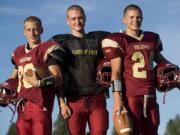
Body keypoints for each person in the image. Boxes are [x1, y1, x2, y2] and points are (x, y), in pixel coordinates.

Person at [102, 4, 175, 135]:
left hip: (150, 94)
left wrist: (176, 72)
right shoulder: (119, 40)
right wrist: (117, 100)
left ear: (142, 18)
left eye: (138, 17)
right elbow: (116, 73)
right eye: (131, 17)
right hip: (131, 96)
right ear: (124, 19)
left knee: (152, 132)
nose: (135, 20)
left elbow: (163, 62)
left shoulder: (151, 39)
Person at [50, 5, 110, 135]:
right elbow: (58, 75)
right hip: (73, 99)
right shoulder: (61, 42)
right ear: (67, 21)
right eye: (73, 19)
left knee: (100, 132)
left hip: (97, 97)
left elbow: (121, 43)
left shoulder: (98, 38)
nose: (77, 22)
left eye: (80, 18)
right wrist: (61, 103)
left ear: (85, 18)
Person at [1, 16, 64, 135]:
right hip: (22, 106)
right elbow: (13, 78)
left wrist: (40, 83)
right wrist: (4, 90)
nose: (32, 33)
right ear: (24, 32)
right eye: (29, 30)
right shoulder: (18, 52)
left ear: (41, 30)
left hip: (40, 106)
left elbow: (59, 77)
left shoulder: (46, 48)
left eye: (35, 29)